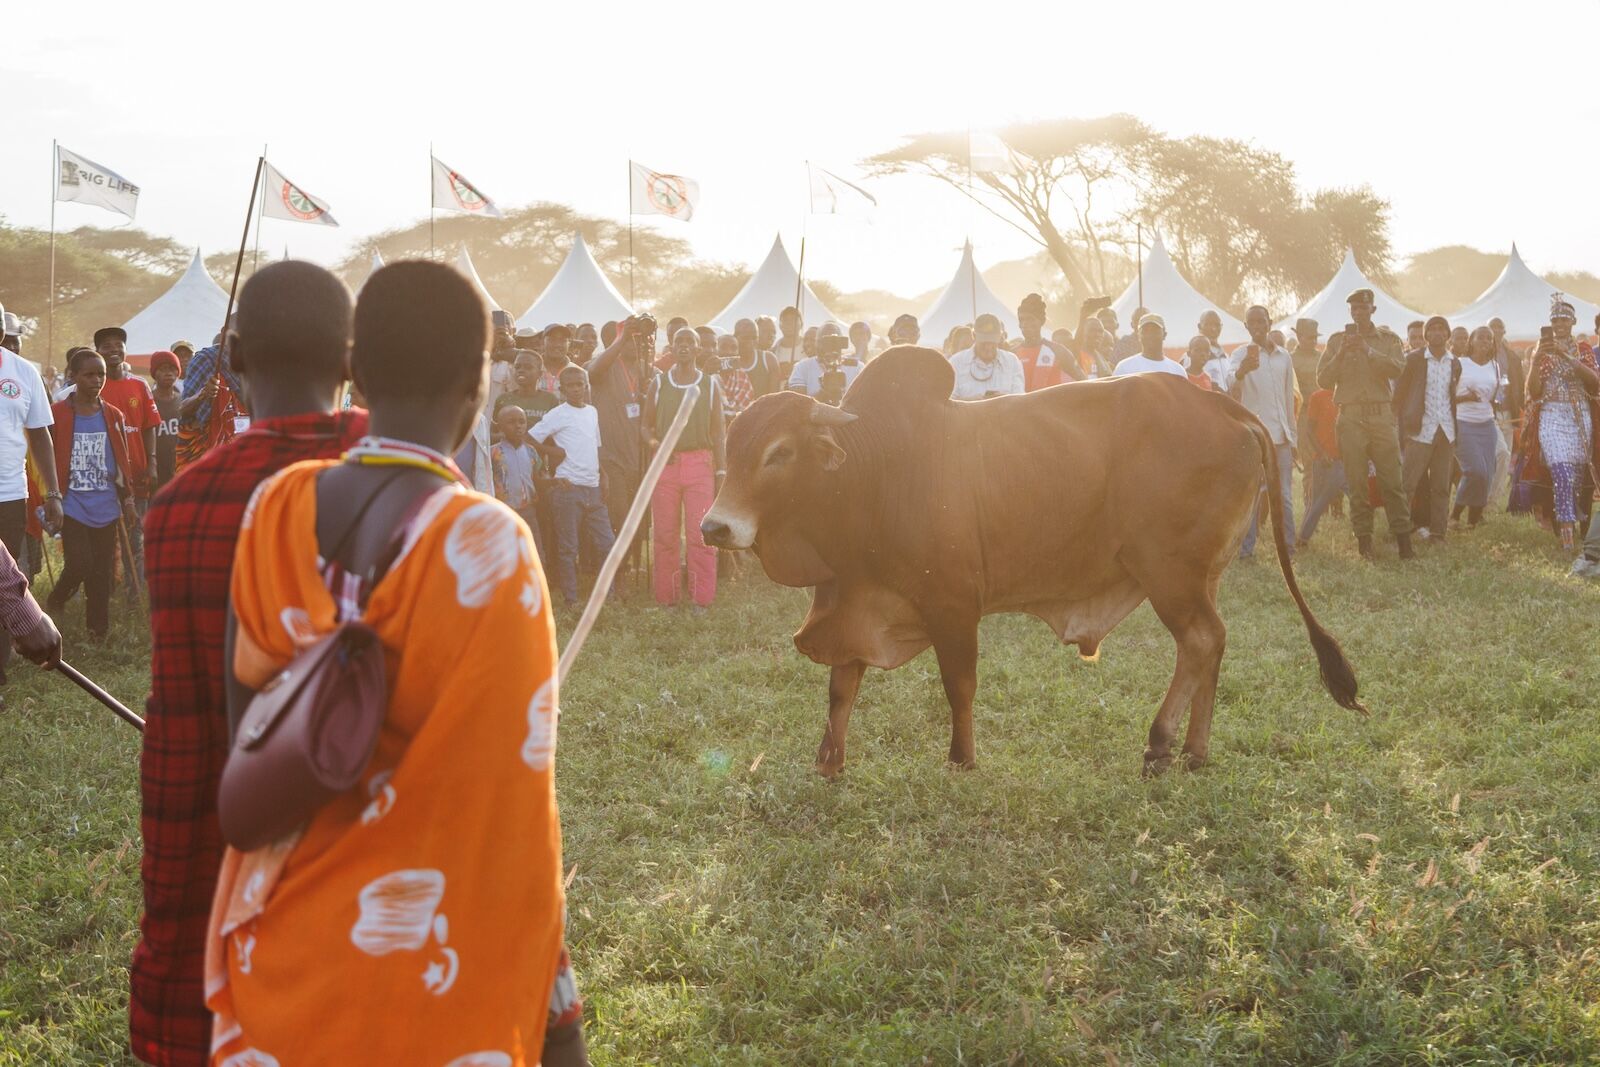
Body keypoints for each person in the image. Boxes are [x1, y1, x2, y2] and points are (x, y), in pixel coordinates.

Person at [208, 259, 580, 1065]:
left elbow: (252, 747)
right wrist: (562, 1019)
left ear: (357, 371)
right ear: (479, 381)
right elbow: (510, 817)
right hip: (428, 985)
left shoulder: (273, 511)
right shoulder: (490, 543)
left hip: (280, 963)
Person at [130, 262, 371, 1067]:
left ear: (231, 357)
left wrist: (169, 938)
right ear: (351, 360)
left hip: (231, 884)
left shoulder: (179, 510)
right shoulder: (427, 490)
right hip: (386, 898)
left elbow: (182, 740)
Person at [44, 348, 135, 639]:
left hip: (106, 504)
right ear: (73, 376)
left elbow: (122, 459)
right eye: (89, 375)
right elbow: (45, 456)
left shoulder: (113, 415)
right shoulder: (57, 415)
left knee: (101, 571)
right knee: (80, 562)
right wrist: (49, 496)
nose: (97, 380)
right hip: (72, 504)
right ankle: (57, 599)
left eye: (101, 375)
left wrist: (128, 498)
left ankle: (98, 631)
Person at [1317, 288, 1413, 560]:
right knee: (1357, 483)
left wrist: (1368, 350)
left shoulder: (1387, 339)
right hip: (1350, 417)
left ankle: (1404, 541)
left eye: (1363, 307)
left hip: (1381, 416)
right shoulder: (1337, 341)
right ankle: (1364, 543)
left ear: (1372, 310)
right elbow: (1323, 380)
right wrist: (1342, 353)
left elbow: (1397, 368)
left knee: (1392, 481)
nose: (1358, 312)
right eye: (1354, 308)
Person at [0, 300, 62, 679]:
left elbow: (41, 436)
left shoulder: (24, 373)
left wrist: (53, 493)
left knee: (4, 588)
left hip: (9, 495)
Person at [647, 328, 724, 610]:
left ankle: (700, 599)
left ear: (698, 348)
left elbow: (718, 432)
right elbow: (646, 427)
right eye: (679, 341)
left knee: (700, 534)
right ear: (672, 346)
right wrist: (658, 444)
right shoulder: (659, 383)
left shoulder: (710, 384)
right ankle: (666, 598)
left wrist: (721, 470)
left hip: (699, 464)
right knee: (665, 534)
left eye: (689, 341)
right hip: (666, 464)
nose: (684, 346)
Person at [531, 364, 615, 608]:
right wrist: (553, 453)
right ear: (562, 388)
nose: (577, 389)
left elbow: (594, 447)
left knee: (607, 544)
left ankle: (606, 596)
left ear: (587, 386)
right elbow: (529, 439)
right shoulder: (559, 413)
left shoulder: (592, 412)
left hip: (593, 488)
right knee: (569, 548)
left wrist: (604, 474)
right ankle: (571, 599)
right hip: (568, 488)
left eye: (581, 384)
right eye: (571, 385)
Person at [1521, 294, 1599, 552]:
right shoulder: (1539, 351)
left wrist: (1566, 357)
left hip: (1579, 415)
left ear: (1574, 321)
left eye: (1564, 318)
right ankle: (1567, 543)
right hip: (1552, 415)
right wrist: (1534, 361)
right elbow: (1533, 391)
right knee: (1562, 473)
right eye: (1555, 319)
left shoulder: (1583, 349)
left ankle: (1574, 529)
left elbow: (1594, 382)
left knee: (1577, 476)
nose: (1560, 323)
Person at [1229, 306, 1299, 559]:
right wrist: (1242, 370)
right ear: (1246, 327)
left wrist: (1293, 436)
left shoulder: (1284, 357)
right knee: (1250, 497)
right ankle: (1246, 551)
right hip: (1254, 437)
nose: (1257, 326)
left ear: (1270, 323)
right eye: (1252, 322)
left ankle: (1288, 548)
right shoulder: (1239, 355)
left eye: (1262, 321)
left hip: (1281, 438)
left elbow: (1288, 399)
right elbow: (1229, 382)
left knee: (1284, 496)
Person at [1395, 315, 1460, 543]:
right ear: (1426, 335)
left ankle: (1438, 533)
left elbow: (1452, 395)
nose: (1437, 333)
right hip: (1420, 430)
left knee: (1441, 486)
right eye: (1432, 329)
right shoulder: (1413, 360)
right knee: (1408, 484)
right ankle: (1400, 532)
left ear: (1447, 334)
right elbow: (1400, 397)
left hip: (1446, 431)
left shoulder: (1454, 362)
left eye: (1442, 329)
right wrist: (1402, 430)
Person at [1450, 326, 1501, 530]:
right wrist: (1466, 397)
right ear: (1471, 341)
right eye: (1481, 337)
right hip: (1463, 423)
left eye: (1489, 338)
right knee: (1475, 471)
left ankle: (1473, 519)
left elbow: (1495, 394)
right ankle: (1455, 515)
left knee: (1488, 473)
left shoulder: (1495, 366)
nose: (1486, 341)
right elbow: (1446, 396)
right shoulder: (1460, 364)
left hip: (1487, 423)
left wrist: (1496, 401)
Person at [491, 403, 550, 561]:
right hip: (504, 511)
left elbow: (538, 477)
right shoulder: (493, 453)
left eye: (521, 421)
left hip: (528, 511)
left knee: (534, 551)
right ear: (500, 427)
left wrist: (553, 482)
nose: (518, 426)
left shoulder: (531, 451)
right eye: (511, 422)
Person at [1296, 384, 1347, 548]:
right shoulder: (1318, 397)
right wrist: (1321, 453)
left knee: (1359, 498)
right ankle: (1303, 538)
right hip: (1324, 459)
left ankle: (1303, 537)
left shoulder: (1346, 396)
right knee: (1318, 502)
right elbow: (1309, 430)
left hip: (1344, 459)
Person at [1488, 316, 1525, 507]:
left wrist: (1521, 410)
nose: (1495, 330)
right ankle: (1487, 498)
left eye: (1498, 327)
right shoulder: (1480, 353)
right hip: (1488, 412)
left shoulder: (1512, 356)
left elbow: (1519, 384)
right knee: (1500, 453)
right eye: (1491, 327)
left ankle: (1493, 501)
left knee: (1506, 455)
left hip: (1508, 412)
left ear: (1504, 331)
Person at [1010, 293, 1083, 390]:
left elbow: (1083, 381)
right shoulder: (1012, 354)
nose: (1025, 324)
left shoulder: (1058, 351)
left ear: (1042, 321)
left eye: (1030, 319)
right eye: (1021, 319)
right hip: (1022, 405)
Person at [950, 313, 1026, 399]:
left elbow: (1020, 401)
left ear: (1000, 337)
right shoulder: (956, 363)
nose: (988, 347)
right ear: (974, 336)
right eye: (984, 343)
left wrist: (1002, 399)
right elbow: (948, 403)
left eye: (992, 343)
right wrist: (972, 403)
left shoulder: (1012, 362)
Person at [788, 322, 863, 403]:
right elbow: (798, 405)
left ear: (842, 343)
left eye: (835, 342)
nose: (830, 346)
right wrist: (823, 393)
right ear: (816, 342)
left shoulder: (857, 367)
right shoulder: (802, 367)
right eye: (825, 341)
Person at [495, 350, 561, 428]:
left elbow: (556, 432)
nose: (521, 370)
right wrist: (510, 436)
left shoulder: (550, 400)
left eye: (528, 367)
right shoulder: (503, 399)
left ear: (540, 374)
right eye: (517, 367)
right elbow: (492, 433)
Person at [1112, 315, 1186, 379]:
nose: (1150, 335)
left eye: (1155, 331)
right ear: (1139, 336)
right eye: (1145, 331)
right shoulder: (1125, 368)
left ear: (1164, 335)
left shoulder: (1177, 371)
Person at [150, 350, 183, 495]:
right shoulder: (148, 401)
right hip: (155, 469)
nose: (168, 373)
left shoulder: (184, 401)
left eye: (172, 369)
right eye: (163, 369)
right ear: (154, 374)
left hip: (179, 467)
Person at [1196, 310, 1234, 391]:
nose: (1213, 329)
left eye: (1217, 325)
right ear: (1199, 326)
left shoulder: (1226, 357)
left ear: (1221, 326)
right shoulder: (1191, 356)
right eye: (1208, 324)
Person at [773, 306, 805, 375]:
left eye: (794, 320)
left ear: (801, 324)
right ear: (780, 326)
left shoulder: (810, 349)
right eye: (785, 320)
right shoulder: (772, 352)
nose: (789, 323)